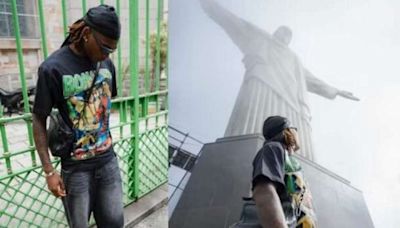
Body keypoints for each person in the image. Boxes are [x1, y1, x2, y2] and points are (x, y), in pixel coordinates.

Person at [199, 0, 359, 160]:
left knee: (292, 136)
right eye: (282, 31)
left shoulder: (293, 58)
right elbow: (235, 23)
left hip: (290, 98)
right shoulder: (261, 38)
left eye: (288, 35)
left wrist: (335, 90)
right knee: (253, 124)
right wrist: (212, 7)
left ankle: (292, 156)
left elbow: (311, 80)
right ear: (275, 32)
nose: (284, 36)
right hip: (262, 82)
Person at [32, 5, 124, 228]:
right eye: (104, 47)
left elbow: (106, 106)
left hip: (107, 162)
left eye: (111, 50)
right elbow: (38, 119)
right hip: (75, 169)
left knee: (114, 223)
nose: (106, 54)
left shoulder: (106, 64)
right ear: (86, 35)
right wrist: (49, 172)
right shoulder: (52, 68)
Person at [252, 116, 316, 228]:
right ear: (286, 131)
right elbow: (264, 190)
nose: (296, 133)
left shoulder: (292, 164)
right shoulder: (273, 148)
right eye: (293, 129)